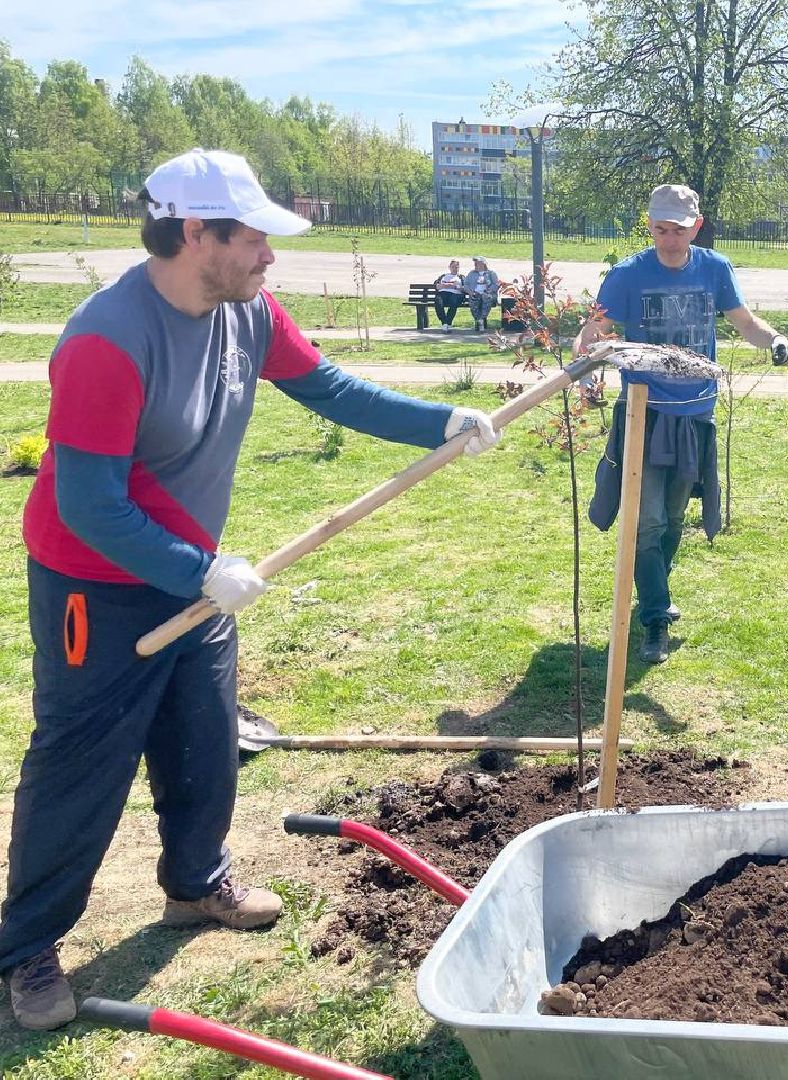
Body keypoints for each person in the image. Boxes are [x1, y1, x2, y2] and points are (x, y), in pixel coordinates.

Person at [1, 148, 500, 1031]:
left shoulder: (248, 311)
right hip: (97, 586)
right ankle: (28, 948)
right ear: (197, 233)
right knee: (82, 765)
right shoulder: (105, 341)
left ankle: (195, 885)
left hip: (198, 575)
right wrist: (199, 572)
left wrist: (443, 424)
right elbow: (86, 505)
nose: (270, 256)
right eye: (256, 238)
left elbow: (329, 388)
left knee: (203, 738)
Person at [574, 183, 788, 664]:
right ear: (650, 226)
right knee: (647, 519)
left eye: (678, 229)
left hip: (695, 414)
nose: (669, 240)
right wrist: (585, 369)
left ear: (696, 226)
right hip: (643, 415)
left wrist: (775, 339)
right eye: (660, 229)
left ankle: (655, 590)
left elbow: (745, 321)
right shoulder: (628, 275)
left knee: (673, 518)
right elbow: (595, 331)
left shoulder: (714, 269)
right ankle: (655, 616)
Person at [463, 255, 500, 330]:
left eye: (477, 263)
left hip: (488, 293)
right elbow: (466, 284)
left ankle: (481, 319)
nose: (475, 265)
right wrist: (470, 292)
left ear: (483, 264)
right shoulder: (471, 273)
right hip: (475, 293)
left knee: (486, 297)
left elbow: (496, 285)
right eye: (475, 263)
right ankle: (479, 321)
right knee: (474, 299)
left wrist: (489, 290)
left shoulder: (491, 273)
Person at [433, 259, 466, 331]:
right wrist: (445, 285)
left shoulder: (461, 277)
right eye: (453, 267)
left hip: (455, 294)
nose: (455, 269)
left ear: (459, 268)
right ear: (449, 267)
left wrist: (455, 286)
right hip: (443, 293)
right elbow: (437, 286)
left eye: (456, 267)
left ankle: (448, 322)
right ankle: (444, 322)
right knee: (438, 301)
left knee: (453, 301)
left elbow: (465, 289)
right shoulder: (443, 276)